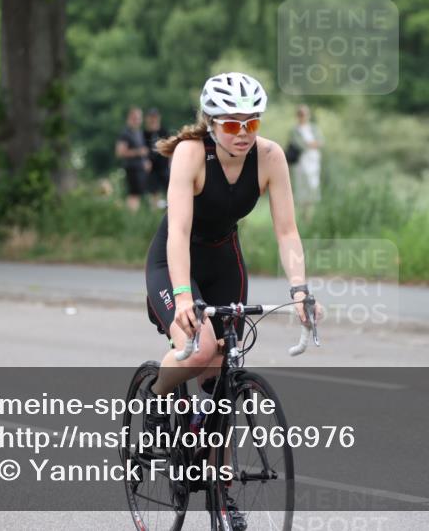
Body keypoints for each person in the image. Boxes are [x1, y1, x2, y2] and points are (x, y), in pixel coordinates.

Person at [143, 73, 324, 526]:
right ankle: (155, 400)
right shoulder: (190, 154)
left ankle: (222, 494)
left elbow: (287, 231)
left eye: (251, 124)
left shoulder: (270, 157)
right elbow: (179, 232)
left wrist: (299, 289)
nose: (242, 134)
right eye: (230, 125)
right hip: (174, 263)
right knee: (200, 347)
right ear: (211, 124)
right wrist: (184, 298)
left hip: (225, 262)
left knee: (223, 373)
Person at [289, 104, 324, 217]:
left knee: (312, 185)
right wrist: (311, 144)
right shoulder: (295, 130)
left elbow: (321, 141)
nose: (302, 116)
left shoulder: (313, 128)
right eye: (300, 114)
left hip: (313, 160)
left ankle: (310, 213)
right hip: (300, 162)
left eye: (304, 114)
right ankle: (301, 214)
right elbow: (299, 145)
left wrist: (310, 144)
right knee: (301, 186)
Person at [116, 107, 151, 212]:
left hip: (140, 169)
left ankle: (135, 217)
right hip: (131, 168)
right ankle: (131, 217)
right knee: (133, 194)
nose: (138, 120)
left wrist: (145, 161)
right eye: (136, 118)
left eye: (139, 118)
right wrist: (138, 152)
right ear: (130, 118)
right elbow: (120, 152)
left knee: (139, 195)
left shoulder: (138, 133)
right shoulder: (125, 133)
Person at [144, 108, 170, 209]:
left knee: (169, 189)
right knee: (153, 193)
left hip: (164, 166)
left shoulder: (164, 132)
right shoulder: (144, 134)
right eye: (151, 117)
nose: (153, 120)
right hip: (152, 169)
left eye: (155, 117)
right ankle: (154, 213)